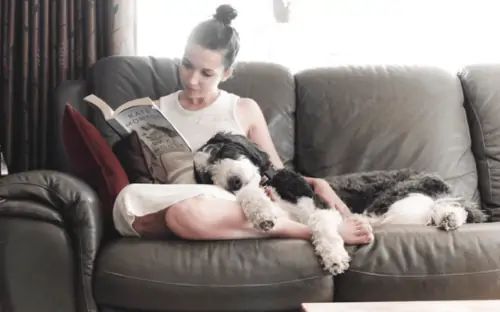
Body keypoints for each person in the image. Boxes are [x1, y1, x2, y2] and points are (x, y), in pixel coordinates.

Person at [113, 4, 374, 245]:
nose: (192, 80)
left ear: (226, 73)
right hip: (176, 196)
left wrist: (318, 183)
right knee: (128, 199)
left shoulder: (243, 109)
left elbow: (276, 174)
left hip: (230, 202)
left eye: (206, 73)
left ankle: (311, 232)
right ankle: (208, 222)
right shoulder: (156, 109)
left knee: (186, 213)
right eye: (187, 65)